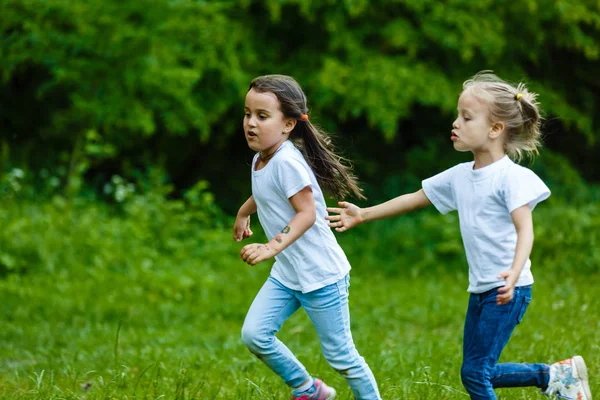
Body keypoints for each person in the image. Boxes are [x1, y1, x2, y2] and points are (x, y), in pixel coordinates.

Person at [326, 71, 592, 400]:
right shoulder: (460, 177)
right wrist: (363, 214)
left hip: (510, 289)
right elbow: (413, 199)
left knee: (475, 374)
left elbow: (526, 230)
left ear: (495, 129)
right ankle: (555, 375)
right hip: (481, 289)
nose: (455, 123)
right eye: (457, 115)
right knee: (478, 370)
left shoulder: (511, 178)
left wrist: (513, 271)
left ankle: (552, 375)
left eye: (466, 117)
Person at [234, 74, 381, 400]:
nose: (251, 124)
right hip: (288, 275)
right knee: (255, 335)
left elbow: (306, 213)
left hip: (321, 276)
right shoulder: (262, 158)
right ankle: (309, 389)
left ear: (288, 124)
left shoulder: (288, 161)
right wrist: (245, 212)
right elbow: (265, 190)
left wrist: (271, 245)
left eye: (262, 116)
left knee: (342, 357)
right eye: (247, 114)